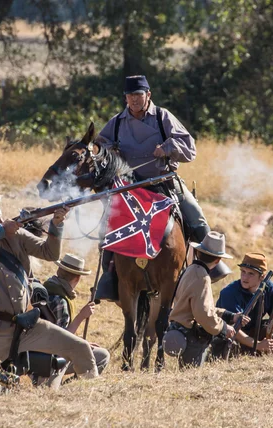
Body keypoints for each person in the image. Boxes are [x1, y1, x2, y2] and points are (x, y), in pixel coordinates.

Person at [94, 75, 230, 301]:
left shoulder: (162, 117)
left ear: (148, 95)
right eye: (130, 96)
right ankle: (110, 278)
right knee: (106, 229)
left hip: (163, 183)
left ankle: (211, 264)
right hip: (130, 190)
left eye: (138, 95)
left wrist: (168, 147)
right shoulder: (117, 122)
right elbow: (99, 147)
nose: (134, 100)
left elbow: (190, 148)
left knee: (195, 215)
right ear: (126, 98)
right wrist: (110, 152)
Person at [0, 195, 98, 395]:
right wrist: (1, 230)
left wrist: (57, 223)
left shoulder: (17, 236)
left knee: (81, 349)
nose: (1, 224)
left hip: (27, 326)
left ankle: (93, 398)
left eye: (0, 220)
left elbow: (50, 253)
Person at [163, 232, 240, 368]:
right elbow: (202, 313)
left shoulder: (191, 270)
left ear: (198, 252)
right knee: (190, 378)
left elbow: (196, 306)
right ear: (217, 260)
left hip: (183, 332)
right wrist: (223, 328)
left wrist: (229, 316)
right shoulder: (202, 277)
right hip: (193, 337)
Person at [34, 254, 110, 374]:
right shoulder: (61, 301)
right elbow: (61, 340)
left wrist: (83, 344)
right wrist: (81, 316)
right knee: (103, 355)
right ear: (78, 278)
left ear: (59, 270)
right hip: (51, 359)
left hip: (35, 351)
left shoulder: (47, 288)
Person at [213, 252, 273, 356]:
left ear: (262, 277)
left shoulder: (268, 287)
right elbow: (233, 328)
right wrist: (258, 345)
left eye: (251, 274)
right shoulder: (229, 292)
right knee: (230, 345)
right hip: (231, 335)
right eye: (243, 271)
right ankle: (255, 350)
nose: (245, 277)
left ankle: (264, 352)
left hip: (254, 331)